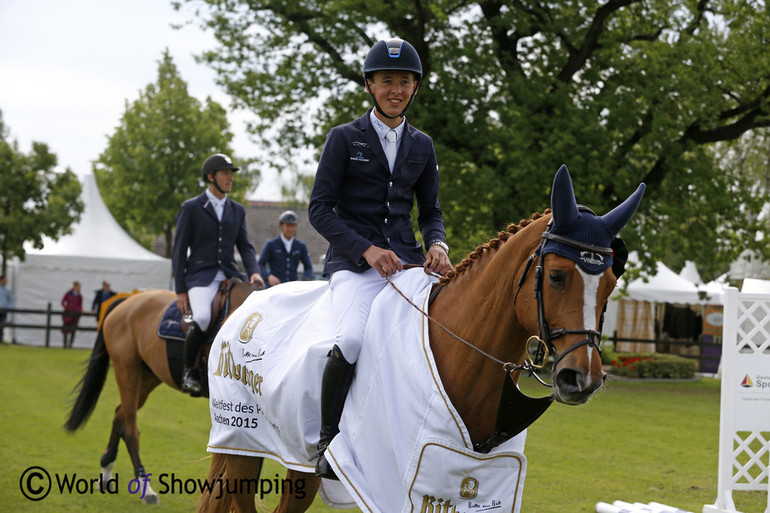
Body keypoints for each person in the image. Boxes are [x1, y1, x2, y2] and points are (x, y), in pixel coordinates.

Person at [308, 38, 453, 479]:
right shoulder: (344, 138)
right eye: (387, 81)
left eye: (405, 82)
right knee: (352, 340)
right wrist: (365, 250)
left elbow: (430, 212)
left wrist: (438, 245)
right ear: (370, 85)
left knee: (444, 335)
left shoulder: (422, 145)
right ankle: (328, 443)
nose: (396, 89)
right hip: (354, 266)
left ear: (414, 88)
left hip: (408, 265)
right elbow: (319, 209)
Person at [172, 152, 265, 395]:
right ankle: (188, 371)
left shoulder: (237, 210)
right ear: (210, 177)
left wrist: (254, 273)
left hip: (229, 276)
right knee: (202, 317)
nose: (230, 179)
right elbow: (179, 251)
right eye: (225, 174)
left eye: (231, 174)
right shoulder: (191, 208)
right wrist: (180, 289)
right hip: (200, 277)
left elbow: (245, 246)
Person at [258, 210, 314, 286]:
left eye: (293, 226)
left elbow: (308, 267)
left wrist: (303, 280)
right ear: (281, 226)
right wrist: (268, 276)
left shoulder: (301, 246)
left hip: (292, 288)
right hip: (274, 287)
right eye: (288, 225)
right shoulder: (271, 244)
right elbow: (260, 264)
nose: (290, 229)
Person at [61, 281, 83, 348]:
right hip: (68, 313)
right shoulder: (68, 293)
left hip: (76, 314)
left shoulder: (79, 296)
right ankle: (64, 345)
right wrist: (67, 308)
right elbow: (62, 302)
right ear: (75, 286)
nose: (79, 288)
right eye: (78, 286)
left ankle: (70, 345)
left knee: (73, 329)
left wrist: (80, 310)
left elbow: (80, 305)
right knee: (66, 328)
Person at [0, 274, 13, 344]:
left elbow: (11, 300)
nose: (5, 281)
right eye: (4, 280)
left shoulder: (7, 290)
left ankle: (1, 340)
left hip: (3, 311)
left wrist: (9, 308)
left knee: (2, 325)